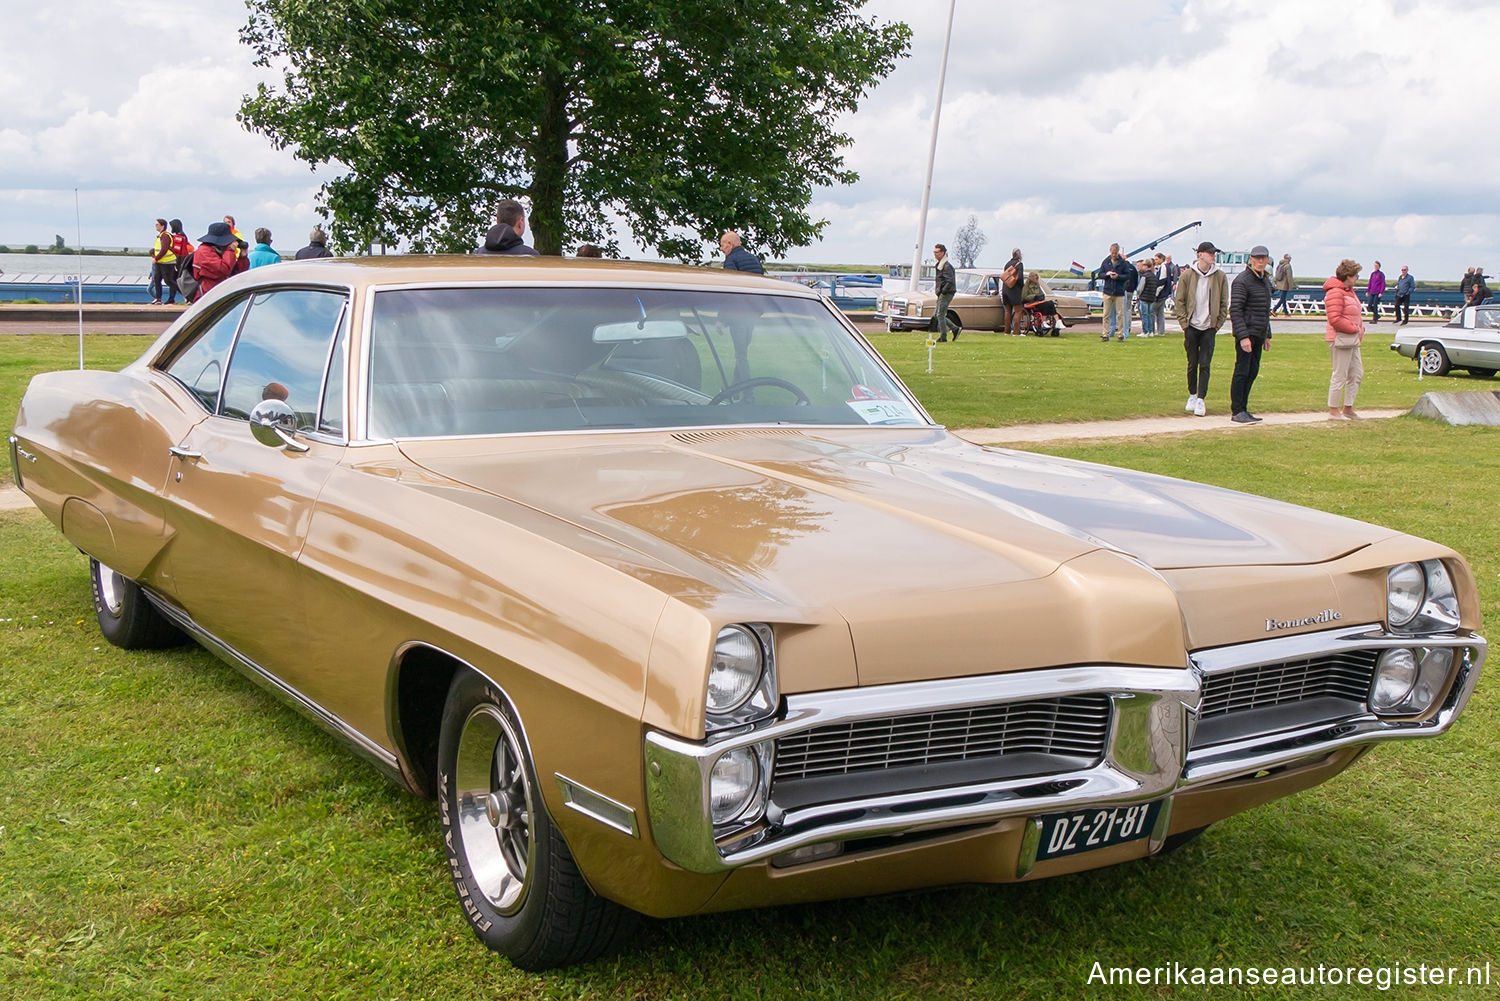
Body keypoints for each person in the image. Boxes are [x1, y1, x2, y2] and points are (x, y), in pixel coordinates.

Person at [1173, 241, 1229, 417]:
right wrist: (1184, 324)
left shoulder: (1220, 276)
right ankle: (1192, 394)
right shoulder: (1188, 275)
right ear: (1200, 254)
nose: (1213, 256)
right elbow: (1179, 301)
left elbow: (1223, 302)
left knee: (1205, 364)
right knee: (1192, 363)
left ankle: (1201, 399)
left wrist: (1216, 325)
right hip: (1192, 326)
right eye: (1210, 253)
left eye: (1214, 253)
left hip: (1209, 328)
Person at [1229, 244, 1274, 424]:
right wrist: (1243, 336)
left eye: (1264, 258)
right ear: (1251, 260)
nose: (1261, 262)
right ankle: (1237, 409)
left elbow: (1265, 310)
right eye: (1258, 258)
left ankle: (1244, 408)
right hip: (1247, 332)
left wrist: (1267, 335)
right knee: (1242, 371)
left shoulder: (1264, 280)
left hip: (1259, 332)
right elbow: (1236, 310)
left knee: (1252, 371)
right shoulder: (1242, 280)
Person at [1323, 259, 1365, 419]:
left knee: (1356, 373)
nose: (1357, 278)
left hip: (1353, 339)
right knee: (1340, 374)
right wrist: (1354, 328)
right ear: (1348, 276)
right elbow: (1335, 318)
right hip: (1340, 338)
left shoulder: (1350, 291)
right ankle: (1333, 409)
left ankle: (1348, 407)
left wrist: (1360, 329)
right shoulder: (1335, 292)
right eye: (1356, 275)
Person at [191, 222, 247, 299]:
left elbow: (238, 273)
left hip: (220, 293)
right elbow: (223, 270)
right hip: (208, 295)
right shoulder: (204, 251)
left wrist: (242, 258)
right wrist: (230, 250)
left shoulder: (220, 251)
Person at [1097, 243, 1137, 341]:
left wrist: (1118, 277)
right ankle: (1105, 334)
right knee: (1106, 314)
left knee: (1120, 314)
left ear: (1118, 252)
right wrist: (1107, 275)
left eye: (1115, 253)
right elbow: (1100, 274)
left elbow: (1127, 275)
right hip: (1108, 291)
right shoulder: (1106, 262)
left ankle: (1121, 334)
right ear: (1110, 251)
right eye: (1112, 253)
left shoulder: (1122, 263)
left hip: (1119, 292)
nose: (1114, 255)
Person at [148, 218, 178, 305]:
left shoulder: (165, 236)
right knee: (157, 279)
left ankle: (184, 294)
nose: (155, 226)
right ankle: (158, 299)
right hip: (160, 262)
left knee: (169, 280)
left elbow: (164, 249)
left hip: (167, 262)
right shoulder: (160, 236)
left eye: (157, 224)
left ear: (162, 226)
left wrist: (156, 258)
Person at [931, 243, 957, 343]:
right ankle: (954, 328)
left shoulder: (946, 266)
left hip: (946, 293)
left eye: (937, 252)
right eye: (934, 252)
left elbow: (949, 281)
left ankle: (943, 336)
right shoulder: (939, 265)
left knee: (940, 314)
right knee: (937, 315)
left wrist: (943, 291)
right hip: (941, 292)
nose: (935, 254)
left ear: (943, 253)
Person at [1002, 247, 1025, 335]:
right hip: (1014, 290)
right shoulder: (1019, 264)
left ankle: (1006, 331)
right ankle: (1016, 332)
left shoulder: (1007, 264)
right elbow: (1020, 278)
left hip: (1005, 289)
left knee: (1007, 311)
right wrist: (1022, 287)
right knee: (1018, 310)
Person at [1135, 259, 1160, 336]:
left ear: (1146, 266)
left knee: (1144, 315)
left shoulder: (1145, 276)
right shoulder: (1154, 276)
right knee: (1149, 314)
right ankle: (1151, 331)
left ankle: (1145, 331)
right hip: (1151, 297)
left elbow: (1140, 288)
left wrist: (1138, 294)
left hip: (1144, 297)